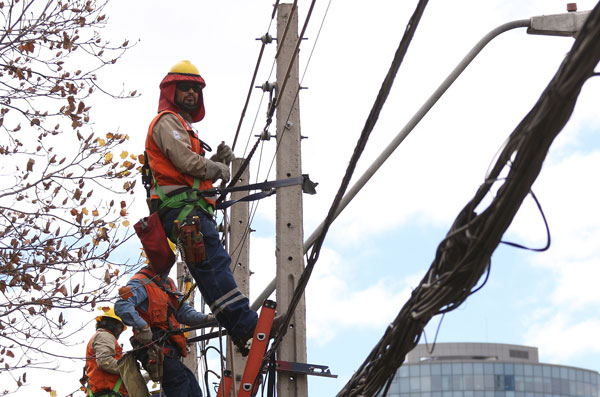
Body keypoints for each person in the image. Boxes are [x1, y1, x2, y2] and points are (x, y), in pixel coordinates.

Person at [143, 60, 259, 352]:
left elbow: (189, 169)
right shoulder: (167, 122)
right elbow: (186, 163)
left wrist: (217, 162)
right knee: (216, 264)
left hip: (186, 209)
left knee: (209, 270)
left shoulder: (184, 127)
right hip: (183, 209)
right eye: (185, 88)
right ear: (172, 92)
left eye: (195, 89)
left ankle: (239, 328)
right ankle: (246, 324)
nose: (192, 94)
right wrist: (217, 168)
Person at [115, 265, 213, 396]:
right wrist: (143, 327)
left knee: (193, 390)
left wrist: (207, 319)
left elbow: (183, 312)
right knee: (180, 387)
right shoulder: (141, 282)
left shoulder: (168, 284)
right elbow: (122, 305)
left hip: (168, 351)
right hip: (155, 348)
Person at [85, 307, 128, 396]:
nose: (119, 331)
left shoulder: (103, 337)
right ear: (112, 324)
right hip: (109, 393)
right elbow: (105, 361)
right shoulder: (105, 335)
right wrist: (129, 369)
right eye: (120, 327)